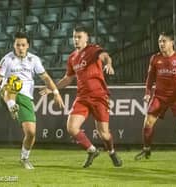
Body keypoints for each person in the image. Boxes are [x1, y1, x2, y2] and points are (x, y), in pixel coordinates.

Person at [40, 25, 122, 168]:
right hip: (82, 97)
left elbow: (105, 56)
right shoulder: (72, 58)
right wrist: (52, 87)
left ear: (86, 38)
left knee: (104, 134)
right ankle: (92, 150)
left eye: (79, 37)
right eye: (74, 37)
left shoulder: (92, 50)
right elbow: (68, 78)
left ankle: (112, 152)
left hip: (99, 97)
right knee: (71, 127)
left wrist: (108, 63)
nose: (76, 40)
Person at [0, 32, 64, 169]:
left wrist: (56, 92)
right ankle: (12, 105)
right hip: (5, 93)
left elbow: (46, 78)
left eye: (23, 45)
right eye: (18, 45)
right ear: (14, 45)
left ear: (28, 46)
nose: (20, 47)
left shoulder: (34, 60)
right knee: (14, 82)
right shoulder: (7, 59)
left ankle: (24, 158)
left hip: (25, 97)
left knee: (31, 133)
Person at [134, 32, 176, 162]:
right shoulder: (155, 59)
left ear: (172, 43)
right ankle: (147, 149)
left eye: (164, 41)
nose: (161, 44)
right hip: (159, 97)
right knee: (147, 122)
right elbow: (150, 79)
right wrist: (147, 93)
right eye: (160, 41)